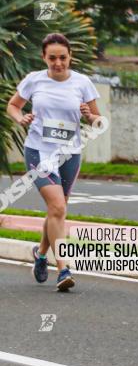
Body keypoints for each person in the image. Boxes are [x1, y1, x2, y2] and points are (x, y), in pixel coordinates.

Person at [5, 33, 103, 292]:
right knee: (58, 206)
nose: (58, 63)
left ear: (70, 56)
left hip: (69, 154)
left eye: (62, 58)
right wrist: (20, 118)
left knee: (57, 211)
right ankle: (63, 269)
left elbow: (98, 120)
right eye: (52, 58)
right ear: (43, 58)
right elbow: (13, 106)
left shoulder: (82, 82)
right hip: (39, 151)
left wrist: (89, 115)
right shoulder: (34, 80)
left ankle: (40, 253)